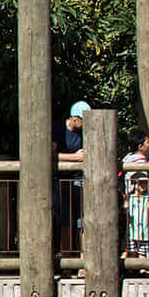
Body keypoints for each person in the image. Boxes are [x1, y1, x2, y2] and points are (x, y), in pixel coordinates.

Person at [54, 101, 89, 249]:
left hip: (80, 179)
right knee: (65, 221)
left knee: (83, 221)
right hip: (61, 181)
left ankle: (83, 259)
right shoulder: (57, 128)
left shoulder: (85, 132)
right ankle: (67, 259)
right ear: (74, 118)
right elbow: (50, 154)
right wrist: (75, 157)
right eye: (83, 120)